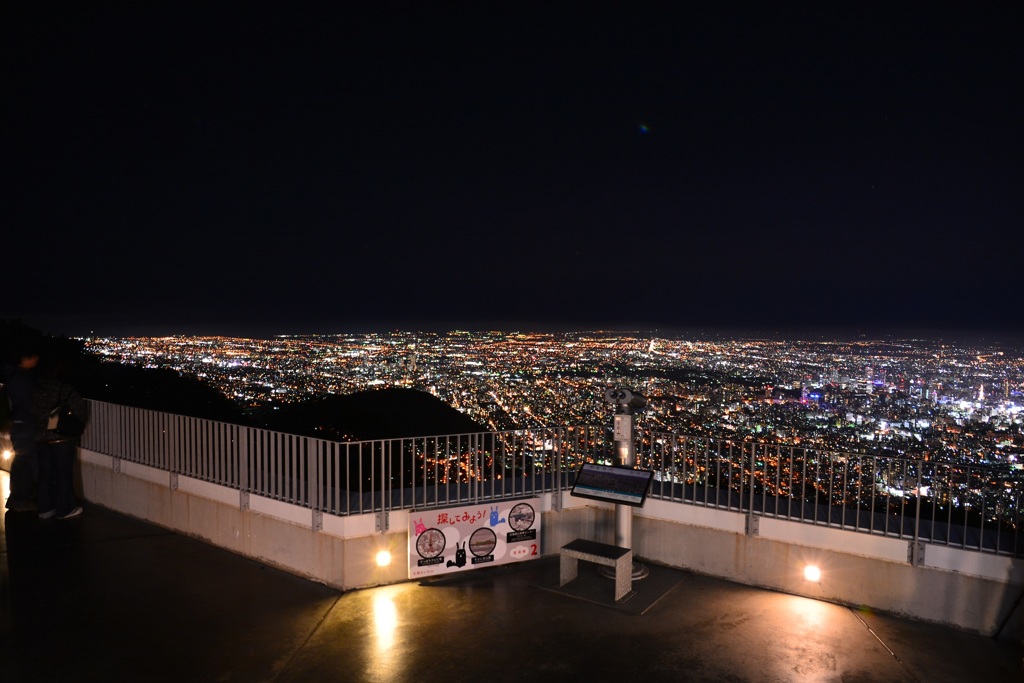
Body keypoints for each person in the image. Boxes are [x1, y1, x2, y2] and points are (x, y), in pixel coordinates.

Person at [33, 358, 88, 520]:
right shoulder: (64, 388)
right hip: (61, 437)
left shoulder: (35, 388)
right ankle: (64, 508)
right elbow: (80, 409)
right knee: (63, 474)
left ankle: (45, 509)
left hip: (39, 437)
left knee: (44, 474)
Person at [4, 342, 39, 512]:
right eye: (33, 358)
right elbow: (29, 404)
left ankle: (17, 498)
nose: (36, 361)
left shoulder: (11, 376)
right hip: (25, 424)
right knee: (25, 462)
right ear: (25, 358)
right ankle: (20, 499)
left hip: (16, 424)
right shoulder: (23, 379)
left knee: (20, 462)